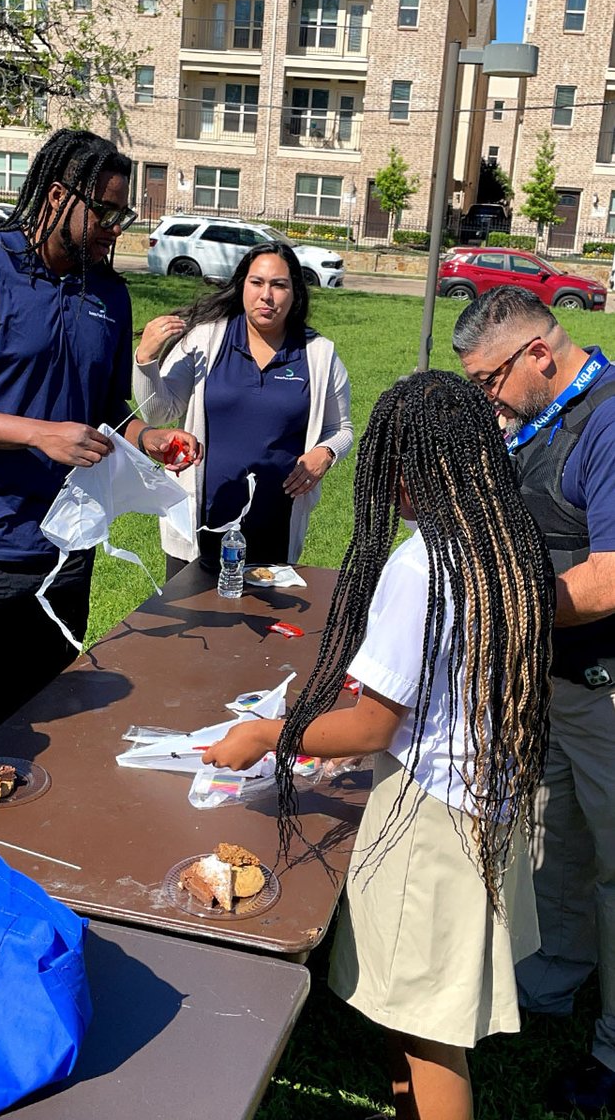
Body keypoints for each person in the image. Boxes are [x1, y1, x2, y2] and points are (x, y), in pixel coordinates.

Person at [201, 371, 555, 1120]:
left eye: (389, 459)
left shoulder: (423, 562)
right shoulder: (506, 540)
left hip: (435, 818)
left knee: (429, 1033)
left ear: (413, 466)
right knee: (407, 1002)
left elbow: (369, 727)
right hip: (483, 792)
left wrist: (267, 734)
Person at [0, 128, 200, 766]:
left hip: (64, 549)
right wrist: (35, 433)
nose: (117, 228)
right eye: (105, 212)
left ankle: (3, 861)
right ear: (57, 197)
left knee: (29, 736)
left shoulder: (109, 294)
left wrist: (150, 437)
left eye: (124, 214)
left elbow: (109, 411)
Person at [453, 284, 615, 1117]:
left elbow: (608, 577)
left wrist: (500, 604)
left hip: (603, 687)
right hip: (546, 680)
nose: (486, 399)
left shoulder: (609, 423)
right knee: (551, 835)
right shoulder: (540, 419)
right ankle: (550, 980)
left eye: (486, 382)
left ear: (537, 356)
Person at [132, 242, 353, 576]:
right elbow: (159, 413)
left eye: (279, 285)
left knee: (263, 625)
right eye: (257, 283)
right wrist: (146, 359)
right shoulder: (204, 340)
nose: (267, 295)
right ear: (242, 286)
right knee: (193, 624)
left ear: (295, 293)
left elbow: (342, 429)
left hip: (276, 524)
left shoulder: (319, 354)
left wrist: (325, 453)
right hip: (198, 525)